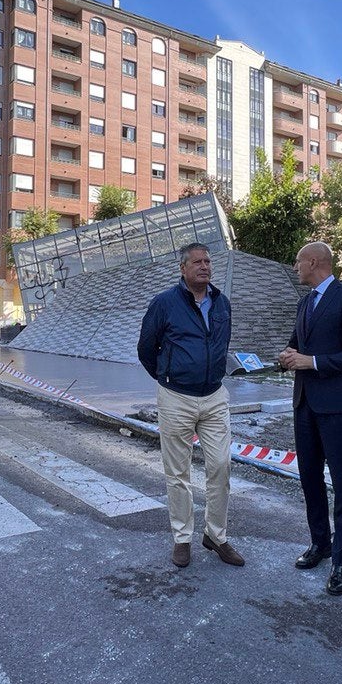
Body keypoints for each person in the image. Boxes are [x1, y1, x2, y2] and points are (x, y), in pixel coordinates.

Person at [137, 243, 244, 570]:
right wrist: (168, 375)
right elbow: (145, 347)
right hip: (176, 398)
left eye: (208, 261)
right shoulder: (165, 303)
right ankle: (182, 538)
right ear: (183, 268)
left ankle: (216, 535)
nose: (205, 267)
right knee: (178, 473)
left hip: (214, 396)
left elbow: (222, 344)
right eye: (197, 262)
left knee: (220, 466)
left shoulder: (222, 303)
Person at [277, 241, 342, 597]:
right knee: (309, 480)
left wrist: (311, 362)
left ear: (314, 262)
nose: (295, 267)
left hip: (341, 408)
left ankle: (341, 563)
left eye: (297, 261)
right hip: (305, 404)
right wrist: (286, 356)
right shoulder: (305, 302)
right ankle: (321, 544)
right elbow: (296, 347)